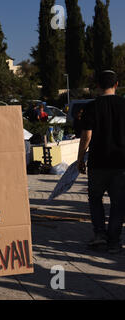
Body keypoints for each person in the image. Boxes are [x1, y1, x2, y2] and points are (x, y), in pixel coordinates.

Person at [78, 70, 125, 254]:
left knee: (95, 199)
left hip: (98, 162)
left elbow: (86, 135)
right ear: (117, 84)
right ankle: (114, 242)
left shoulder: (91, 107)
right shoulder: (124, 105)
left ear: (97, 86)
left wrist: (80, 158)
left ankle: (99, 235)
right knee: (118, 203)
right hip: (121, 163)